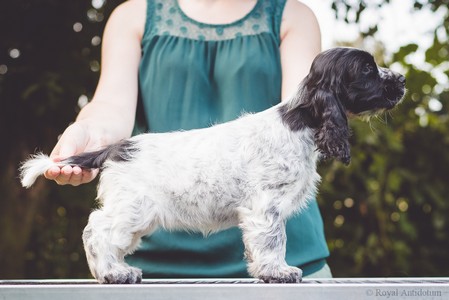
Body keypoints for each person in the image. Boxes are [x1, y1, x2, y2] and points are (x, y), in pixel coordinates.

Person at [45, 0, 332, 278]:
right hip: (155, 268)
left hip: (291, 265)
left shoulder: (292, 15)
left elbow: (304, 111)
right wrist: (90, 132)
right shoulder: (132, 15)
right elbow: (111, 106)